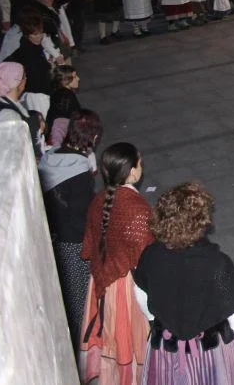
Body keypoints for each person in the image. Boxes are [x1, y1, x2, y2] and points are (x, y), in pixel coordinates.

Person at [135, 182, 234, 384]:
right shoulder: (215, 263)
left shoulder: (151, 255)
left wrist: (155, 318)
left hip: (167, 345)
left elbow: (142, 294)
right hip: (209, 351)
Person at [79, 142, 154, 384]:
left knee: (111, 334)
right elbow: (147, 254)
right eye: (139, 163)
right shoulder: (138, 208)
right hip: (127, 285)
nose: (142, 166)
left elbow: (89, 246)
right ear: (132, 171)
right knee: (129, 337)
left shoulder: (97, 201)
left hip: (102, 279)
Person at [38, 109, 101, 351]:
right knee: (80, 298)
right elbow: (84, 213)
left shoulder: (50, 158)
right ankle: (83, 346)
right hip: (74, 241)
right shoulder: (79, 172)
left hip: (53, 236)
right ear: (93, 138)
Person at [46, 64, 82, 145]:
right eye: (75, 76)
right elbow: (63, 120)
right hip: (63, 139)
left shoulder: (58, 92)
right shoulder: (66, 96)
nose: (78, 79)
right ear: (66, 80)